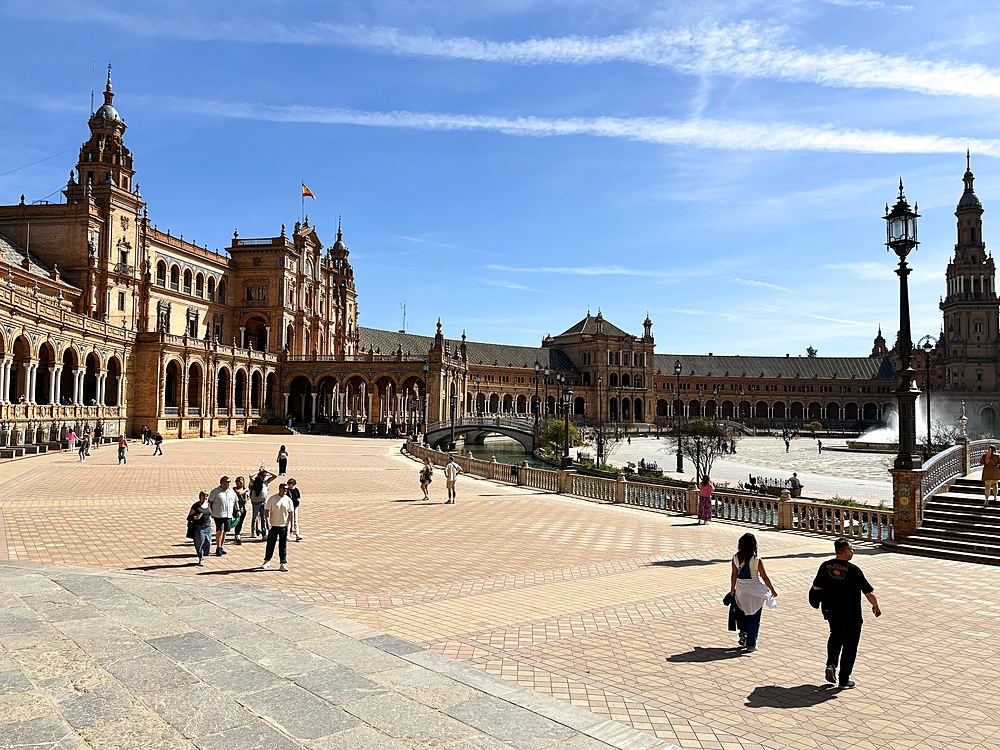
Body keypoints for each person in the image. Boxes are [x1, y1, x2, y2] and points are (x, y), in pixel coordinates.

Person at [811, 537, 881, 689]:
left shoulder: (825, 566)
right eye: (851, 549)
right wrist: (876, 606)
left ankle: (831, 664)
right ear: (844, 551)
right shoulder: (854, 570)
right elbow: (868, 592)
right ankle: (844, 679)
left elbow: (816, 587)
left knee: (835, 636)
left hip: (831, 611)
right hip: (851, 614)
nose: (853, 551)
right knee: (850, 645)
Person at [730, 533, 777, 652]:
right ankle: (751, 643)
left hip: (741, 590)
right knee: (754, 617)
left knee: (743, 614)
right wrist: (772, 589)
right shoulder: (757, 560)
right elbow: (765, 577)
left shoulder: (735, 558)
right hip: (755, 591)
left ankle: (743, 634)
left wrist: (732, 589)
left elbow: (734, 574)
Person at [261, 482, 293, 572]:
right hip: (273, 525)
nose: (285, 491)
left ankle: (283, 563)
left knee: (283, 545)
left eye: (286, 489)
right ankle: (267, 560)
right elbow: (266, 511)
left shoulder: (288, 500)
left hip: (283, 526)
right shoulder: (272, 499)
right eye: (284, 489)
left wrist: (291, 526)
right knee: (270, 544)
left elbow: (291, 513)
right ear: (280, 489)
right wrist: (267, 522)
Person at [208, 476, 237, 557]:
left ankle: (221, 546)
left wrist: (237, 510)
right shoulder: (215, 492)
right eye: (227, 482)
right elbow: (210, 502)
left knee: (225, 531)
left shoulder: (231, 491)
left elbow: (235, 501)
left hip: (228, 515)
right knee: (220, 530)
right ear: (222, 482)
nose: (228, 484)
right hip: (218, 515)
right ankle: (218, 547)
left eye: (229, 482)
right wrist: (208, 513)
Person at [249, 467, 277, 537]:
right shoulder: (254, 481)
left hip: (263, 502)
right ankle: (253, 531)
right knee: (254, 517)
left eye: (265, 476)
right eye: (262, 476)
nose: (264, 478)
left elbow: (275, 476)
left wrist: (267, 471)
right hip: (255, 502)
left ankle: (264, 533)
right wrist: (258, 472)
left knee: (263, 518)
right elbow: (250, 475)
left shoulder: (266, 481)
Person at [188, 490, 213, 566]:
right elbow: (189, 517)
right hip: (199, 527)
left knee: (208, 543)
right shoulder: (196, 506)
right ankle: (201, 558)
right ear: (200, 496)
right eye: (203, 495)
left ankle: (204, 554)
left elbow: (210, 514)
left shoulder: (208, 505)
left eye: (206, 495)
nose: (205, 497)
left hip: (208, 527)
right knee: (200, 543)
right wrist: (195, 517)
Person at [232, 476, 249, 545]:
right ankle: (237, 535)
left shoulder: (245, 489)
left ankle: (238, 533)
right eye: (237, 481)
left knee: (240, 522)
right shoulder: (234, 489)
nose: (238, 482)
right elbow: (239, 493)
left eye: (239, 481)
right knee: (237, 522)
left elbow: (247, 498)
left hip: (243, 509)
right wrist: (245, 490)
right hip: (236, 509)